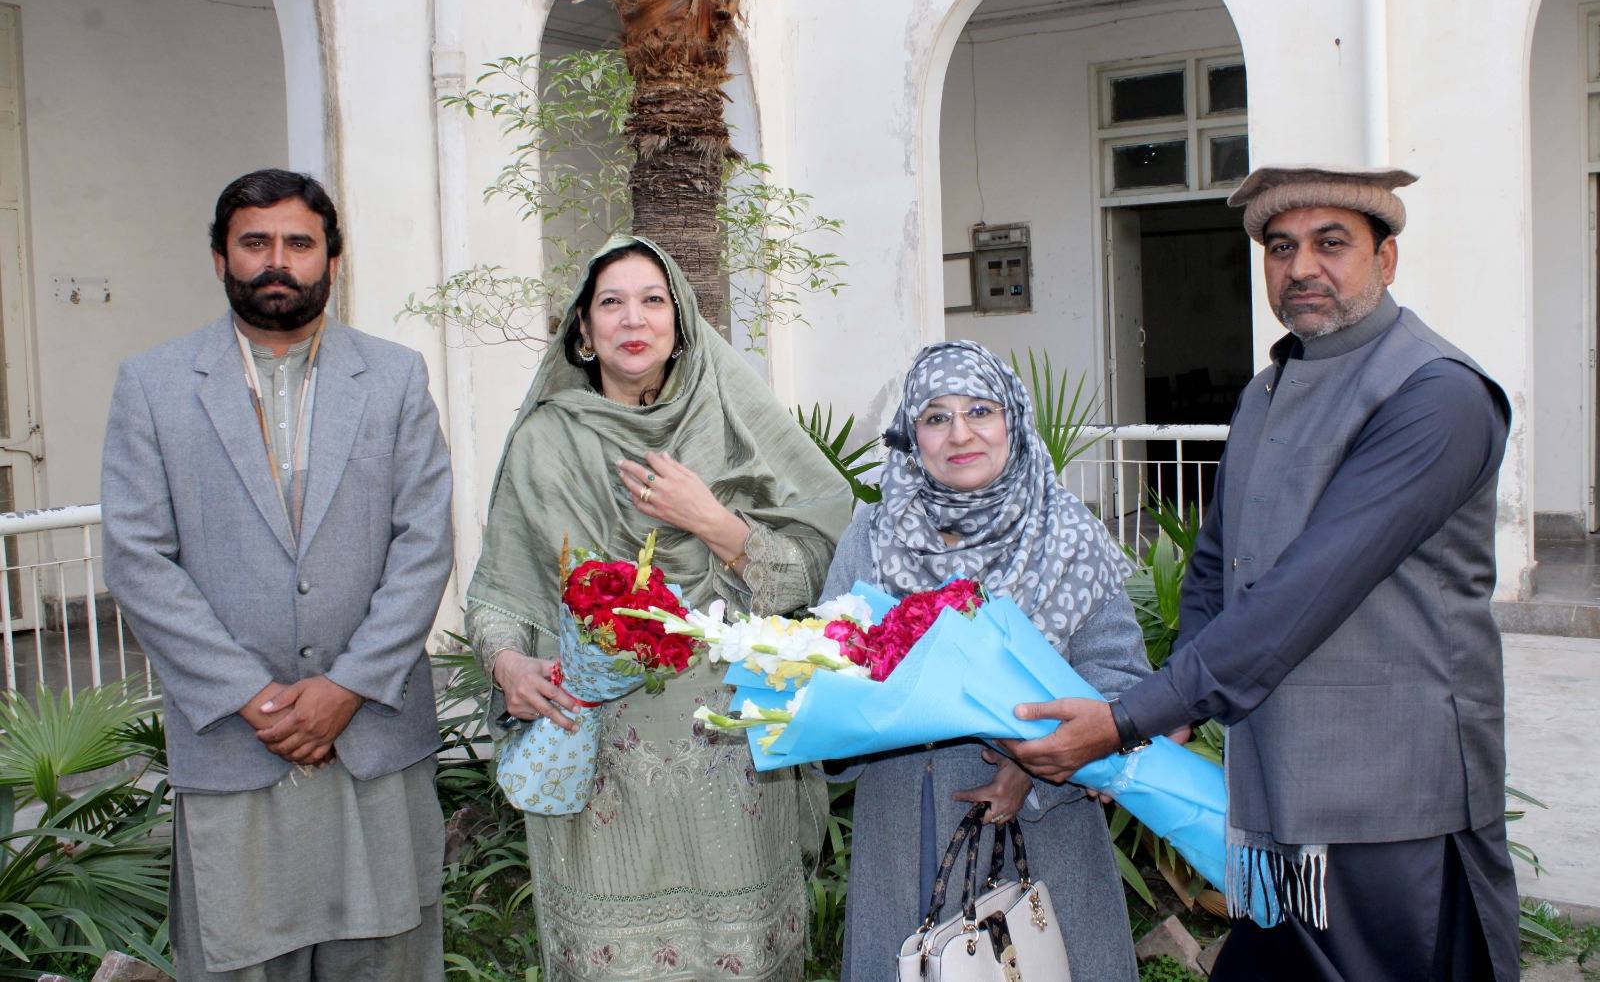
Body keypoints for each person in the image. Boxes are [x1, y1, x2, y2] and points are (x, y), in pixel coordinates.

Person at [1006, 165, 1519, 981]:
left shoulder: (1436, 395)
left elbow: (1304, 595)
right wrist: (1173, 712)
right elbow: (1218, 566)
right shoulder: (1269, 389)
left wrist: (1131, 717)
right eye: (1281, 248)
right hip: (1278, 784)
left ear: (1387, 259)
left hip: (1389, 802)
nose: (1300, 267)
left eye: (1331, 244)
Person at [465, 233, 853, 981]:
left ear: (681, 321)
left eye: (652, 300)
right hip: (600, 759)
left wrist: (710, 520)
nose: (632, 318)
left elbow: (816, 564)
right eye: (611, 302)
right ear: (583, 329)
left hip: (732, 756)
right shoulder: (547, 441)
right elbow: (500, 591)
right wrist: (508, 663)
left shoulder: (734, 421)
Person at [101, 169, 455, 981]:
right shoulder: (153, 385)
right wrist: (251, 696)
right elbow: (138, 558)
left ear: (333, 257)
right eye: (254, 242)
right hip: (236, 739)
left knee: (389, 957)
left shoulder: (395, 377)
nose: (277, 261)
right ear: (219, 257)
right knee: (240, 959)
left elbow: (424, 544)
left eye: (299, 242)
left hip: (372, 737)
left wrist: (348, 686)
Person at [821, 340, 1149, 982]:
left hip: (1043, 839)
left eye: (979, 411)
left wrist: (1034, 769)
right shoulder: (874, 535)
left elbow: (1121, 686)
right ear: (912, 435)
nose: (960, 434)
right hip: (906, 829)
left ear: (1012, 420)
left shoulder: (1067, 535)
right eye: (936, 417)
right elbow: (832, 674)